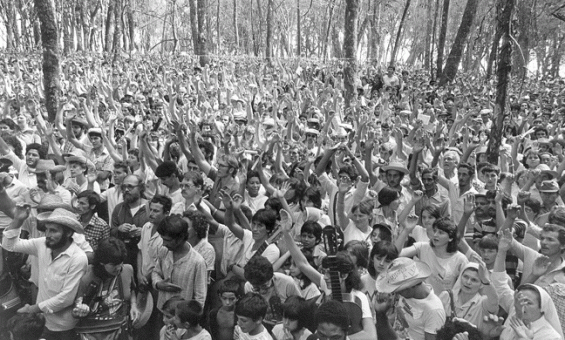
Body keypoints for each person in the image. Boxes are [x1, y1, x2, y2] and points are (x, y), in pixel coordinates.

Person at [2, 206, 88, 340]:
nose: (48, 234)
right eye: (47, 229)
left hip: (63, 327)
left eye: (53, 231)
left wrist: (32, 309)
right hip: (42, 321)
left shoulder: (78, 258)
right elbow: (10, 246)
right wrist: (17, 221)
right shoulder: (43, 244)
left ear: (68, 233)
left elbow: (65, 298)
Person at [492, 229, 564, 340]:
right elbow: (499, 284)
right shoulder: (514, 310)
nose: (521, 305)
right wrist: (501, 251)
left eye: (550, 239)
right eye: (542, 238)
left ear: (542, 307)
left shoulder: (550, 336)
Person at [72, 237, 139, 340]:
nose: (118, 268)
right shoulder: (87, 278)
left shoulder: (127, 270)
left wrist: (134, 305)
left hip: (119, 329)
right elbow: (77, 307)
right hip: (92, 333)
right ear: (102, 262)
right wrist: (80, 310)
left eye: (120, 262)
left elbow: (132, 290)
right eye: (113, 265)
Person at [376, 257, 446, 340]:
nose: (396, 292)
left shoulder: (434, 311)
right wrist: (380, 313)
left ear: (412, 285)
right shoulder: (404, 295)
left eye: (399, 289)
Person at [399, 218, 469, 294]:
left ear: (451, 238)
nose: (435, 235)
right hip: (420, 300)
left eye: (441, 232)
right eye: (435, 231)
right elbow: (396, 254)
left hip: (443, 303)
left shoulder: (460, 259)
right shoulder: (423, 247)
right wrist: (406, 230)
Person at [152, 215, 207, 310]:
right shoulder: (164, 251)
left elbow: (200, 298)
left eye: (168, 240)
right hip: (162, 311)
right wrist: (159, 284)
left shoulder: (197, 262)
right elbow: (156, 272)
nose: (164, 244)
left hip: (182, 318)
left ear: (181, 238)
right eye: (163, 239)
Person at [438, 259, 499, 335]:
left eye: (474, 280)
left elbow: (494, 301)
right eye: (465, 277)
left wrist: (485, 279)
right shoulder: (446, 296)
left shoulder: (483, 303)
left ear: (481, 284)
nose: (468, 282)